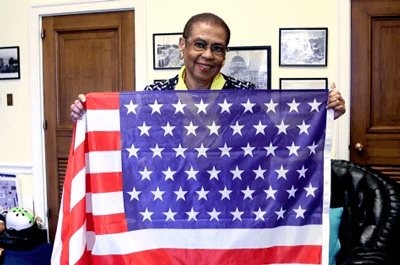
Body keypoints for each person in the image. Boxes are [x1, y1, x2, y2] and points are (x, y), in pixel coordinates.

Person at [70, 12, 345, 122]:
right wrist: (87, 114)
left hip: (229, 198)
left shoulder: (245, 93)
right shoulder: (154, 93)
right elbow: (125, 132)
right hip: (172, 197)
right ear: (182, 45)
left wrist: (325, 114)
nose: (207, 55)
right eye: (199, 44)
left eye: (217, 48)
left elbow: (281, 132)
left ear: (225, 55)